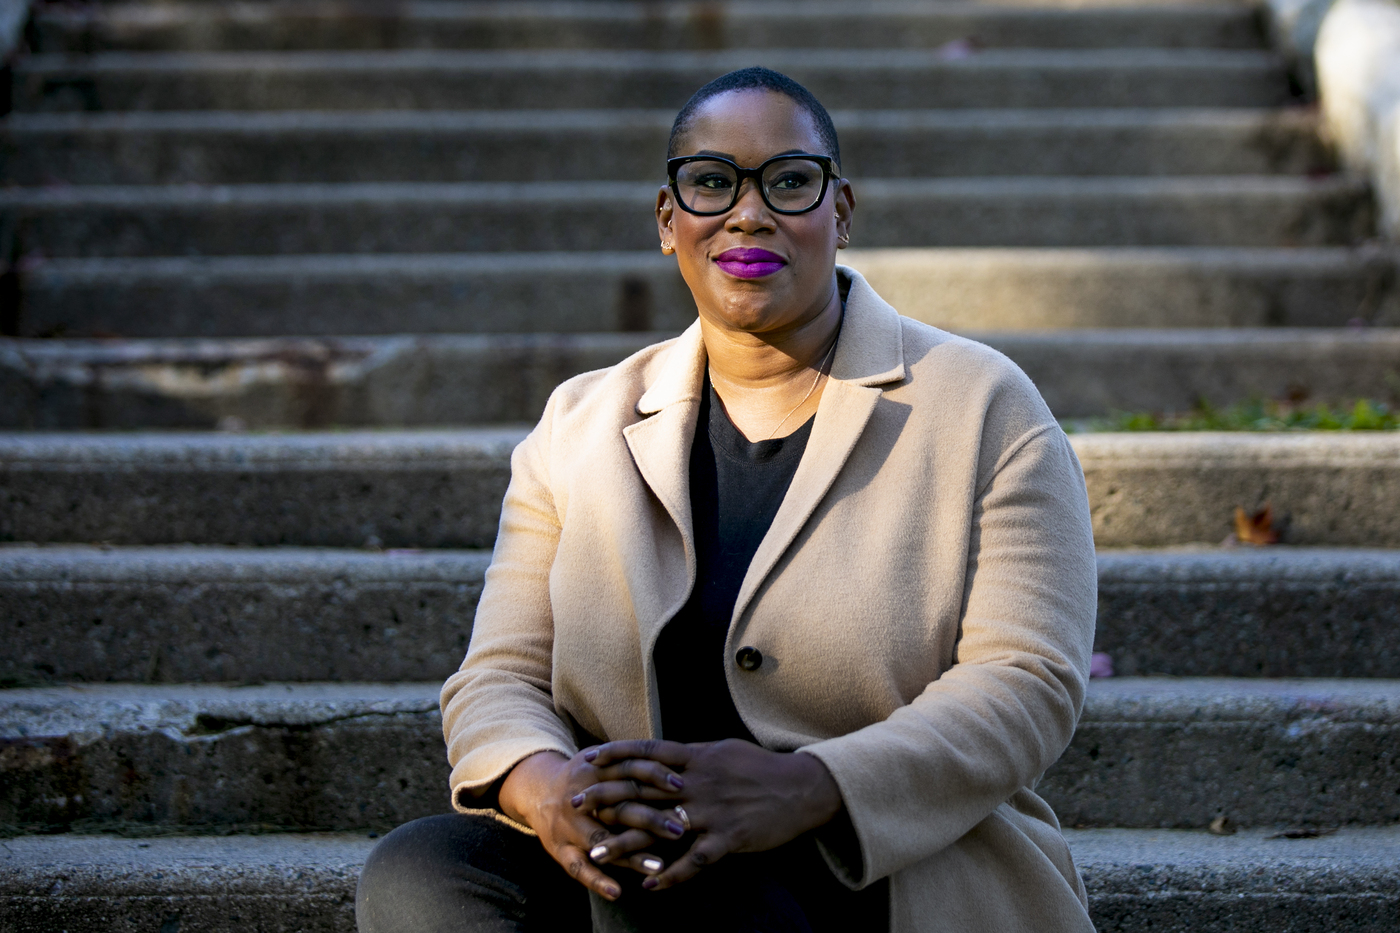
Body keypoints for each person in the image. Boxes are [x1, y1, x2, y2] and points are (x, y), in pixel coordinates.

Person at [357, 66, 1098, 933]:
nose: (749, 213)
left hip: (880, 871)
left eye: (789, 181)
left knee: (676, 886)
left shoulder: (982, 404)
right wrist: (546, 785)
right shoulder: (580, 422)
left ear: (841, 212)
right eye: (712, 183)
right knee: (423, 874)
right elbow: (499, 675)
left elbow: (1027, 680)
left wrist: (811, 786)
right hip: (632, 855)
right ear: (670, 222)